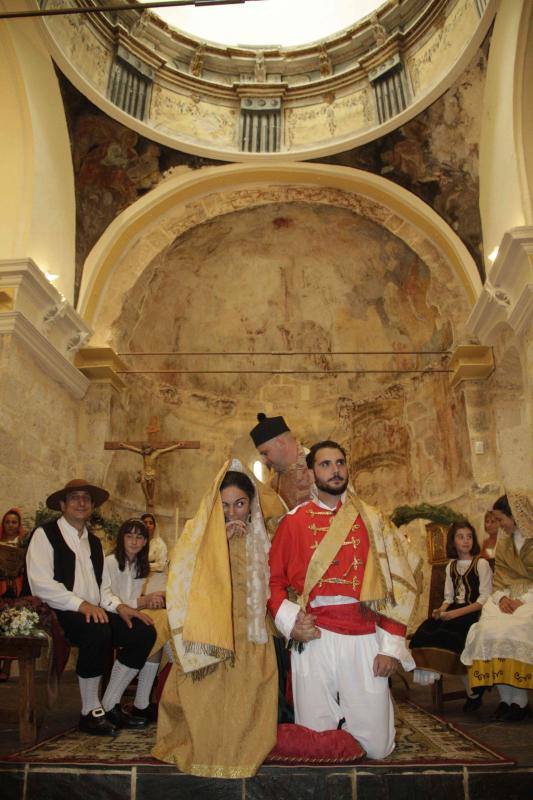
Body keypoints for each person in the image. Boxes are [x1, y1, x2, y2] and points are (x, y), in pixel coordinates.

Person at [268, 440, 420, 759]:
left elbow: (398, 586)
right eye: (325, 464)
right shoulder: (293, 522)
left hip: (364, 634)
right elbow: (273, 582)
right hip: (313, 636)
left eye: (340, 463)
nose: (335, 471)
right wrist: (290, 621)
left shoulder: (373, 520)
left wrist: (391, 646)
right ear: (311, 473)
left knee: (377, 747)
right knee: (316, 737)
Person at [153, 461, 278, 778]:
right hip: (211, 631)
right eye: (225, 505)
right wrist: (217, 541)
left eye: (240, 504)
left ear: (251, 503)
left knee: (249, 699)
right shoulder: (197, 532)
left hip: (251, 633)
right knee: (208, 700)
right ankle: (205, 754)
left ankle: (244, 755)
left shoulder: (264, 537)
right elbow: (182, 575)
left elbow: (276, 581)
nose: (233, 512)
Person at [26, 479, 157, 735]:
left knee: (143, 632)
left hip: (94, 610)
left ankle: (109, 705)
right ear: (62, 505)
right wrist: (81, 604)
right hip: (59, 610)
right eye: (74, 497)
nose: (81, 502)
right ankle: (89, 711)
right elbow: (40, 583)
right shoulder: (46, 534)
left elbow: (102, 589)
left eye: (86, 498)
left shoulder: (94, 542)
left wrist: (120, 607)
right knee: (96, 630)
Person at [461, 492, 533, 722]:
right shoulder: (504, 541)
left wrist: (523, 600)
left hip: (530, 597)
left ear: (516, 516)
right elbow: (499, 576)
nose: (500, 525)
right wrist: (501, 598)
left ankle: (519, 702)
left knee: (514, 628)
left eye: (502, 519)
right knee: (488, 630)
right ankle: (506, 699)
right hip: (506, 595)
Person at [409, 520, 492, 711]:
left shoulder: (481, 564)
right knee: (427, 629)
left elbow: (484, 599)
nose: (466, 541)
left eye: (469, 537)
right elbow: (448, 597)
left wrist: (454, 613)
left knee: (451, 634)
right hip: (454, 610)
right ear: (453, 542)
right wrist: (441, 610)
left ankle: (473, 689)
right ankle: (471, 689)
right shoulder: (451, 566)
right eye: (460, 537)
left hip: (474, 611)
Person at [102, 518, 167, 722]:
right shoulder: (111, 561)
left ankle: (142, 704)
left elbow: (133, 602)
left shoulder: (139, 565)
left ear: (146, 541)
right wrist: (142, 601)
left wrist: (148, 601)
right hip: (107, 614)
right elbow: (104, 596)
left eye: (140, 537)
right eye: (129, 536)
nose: (134, 541)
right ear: (121, 538)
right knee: (144, 634)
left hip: (125, 614)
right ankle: (109, 704)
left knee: (152, 629)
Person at [250, 412, 313, 511]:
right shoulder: (273, 482)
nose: (263, 461)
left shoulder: (318, 466)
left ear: (280, 443)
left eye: (265, 453)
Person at [0, 508, 26, 681]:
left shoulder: (23, 544)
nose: (11, 525)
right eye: (8, 522)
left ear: (19, 525)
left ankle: (7, 668)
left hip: (17, 587)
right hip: (1, 585)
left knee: (12, 626)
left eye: (14, 522)